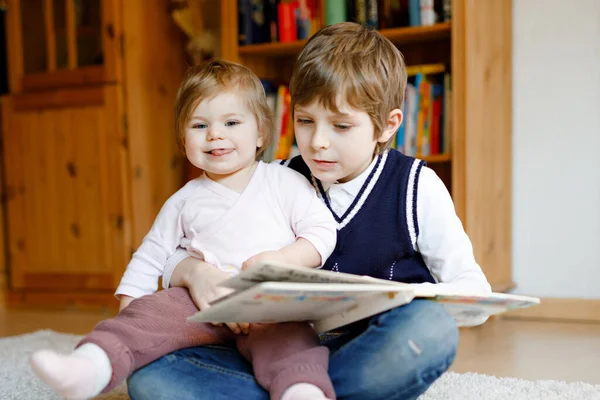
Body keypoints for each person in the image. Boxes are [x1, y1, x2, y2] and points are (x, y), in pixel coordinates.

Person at [126, 22, 493, 400]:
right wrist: (192, 271)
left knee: (432, 330)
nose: (317, 142)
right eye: (304, 121)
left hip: (365, 354)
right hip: (275, 354)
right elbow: (187, 246)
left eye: (341, 125)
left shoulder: (416, 187)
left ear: (387, 125)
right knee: (151, 378)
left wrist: (404, 298)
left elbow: (473, 294)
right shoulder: (272, 178)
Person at [29, 59, 338, 400]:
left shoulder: (284, 182)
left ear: (261, 133)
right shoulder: (183, 200)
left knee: (294, 343)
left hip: (268, 305)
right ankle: (90, 366)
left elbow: (322, 230)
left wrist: (285, 257)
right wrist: (133, 312)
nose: (215, 134)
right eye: (199, 125)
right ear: (182, 138)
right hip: (200, 305)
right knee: (151, 314)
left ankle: (301, 391)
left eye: (231, 122)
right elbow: (150, 256)